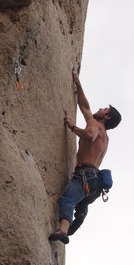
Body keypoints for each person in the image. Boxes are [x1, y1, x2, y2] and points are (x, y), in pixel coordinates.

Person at [49, 71, 121, 244]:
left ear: (107, 116)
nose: (100, 108)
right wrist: (78, 85)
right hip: (95, 183)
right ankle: (82, 211)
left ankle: (63, 231)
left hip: (84, 176)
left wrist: (72, 127)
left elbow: (89, 135)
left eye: (105, 109)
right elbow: (85, 107)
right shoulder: (106, 137)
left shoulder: (95, 126)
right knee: (82, 200)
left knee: (68, 198)